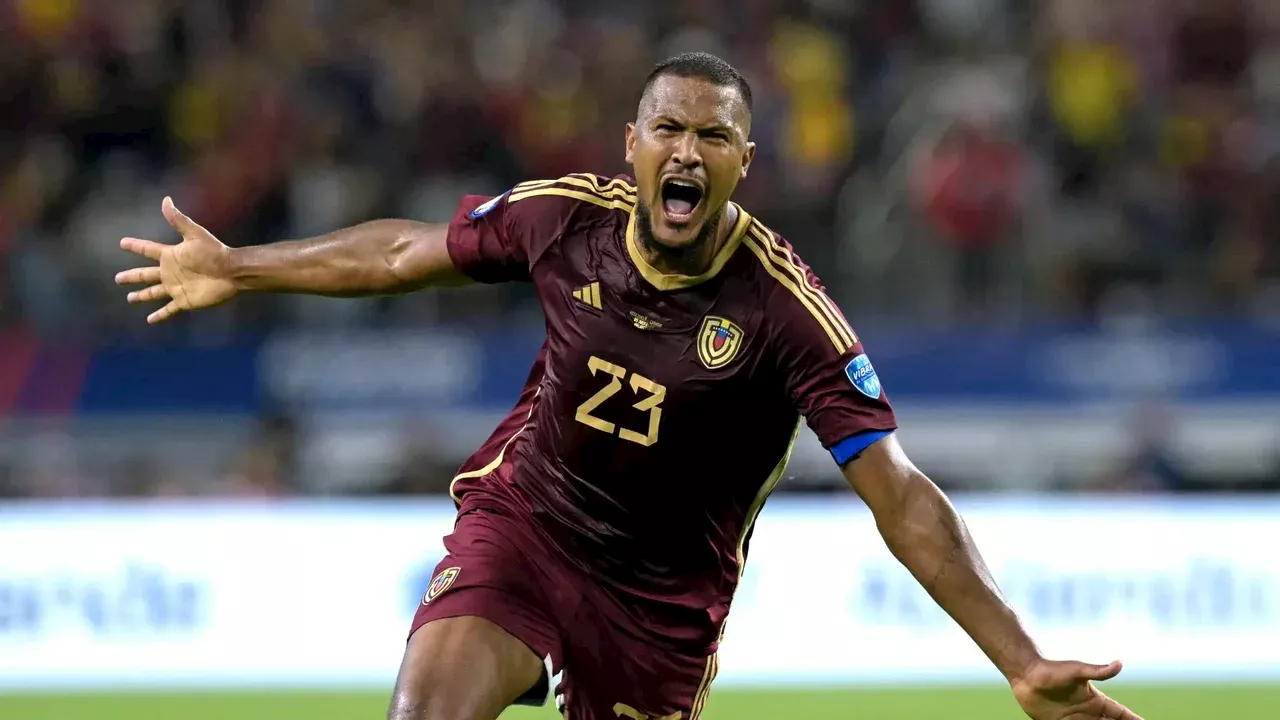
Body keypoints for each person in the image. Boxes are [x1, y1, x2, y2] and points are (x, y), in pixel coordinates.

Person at [115, 52, 1142, 720]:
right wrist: (240, 265)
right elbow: (398, 255)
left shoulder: (785, 312)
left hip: (660, 602)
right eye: (666, 129)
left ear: (742, 162)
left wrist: (1017, 656)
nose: (684, 151)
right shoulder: (564, 219)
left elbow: (899, 493)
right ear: (631, 146)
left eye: (710, 137)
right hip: (528, 528)